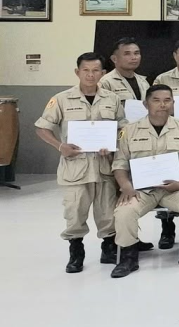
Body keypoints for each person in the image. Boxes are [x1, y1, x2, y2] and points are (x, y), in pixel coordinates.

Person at [34, 51, 124, 272]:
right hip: (75, 168)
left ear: (103, 73)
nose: (90, 75)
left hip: (104, 166)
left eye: (95, 70)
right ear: (77, 72)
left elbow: (123, 128)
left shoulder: (112, 99)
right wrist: (60, 146)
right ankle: (76, 252)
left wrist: (112, 143)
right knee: (74, 213)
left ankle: (108, 249)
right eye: (86, 70)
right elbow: (41, 128)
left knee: (108, 212)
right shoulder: (62, 99)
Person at [109, 85, 179, 277]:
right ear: (145, 104)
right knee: (124, 211)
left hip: (175, 187)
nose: (162, 105)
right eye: (156, 100)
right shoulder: (130, 131)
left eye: (167, 100)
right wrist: (126, 186)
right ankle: (128, 257)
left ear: (173, 103)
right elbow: (119, 164)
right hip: (141, 189)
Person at [100, 37, 149, 107]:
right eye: (127, 54)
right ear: (114, 59)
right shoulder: (106, 82)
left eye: (136, 53)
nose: (134, 57)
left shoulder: (143, 82)